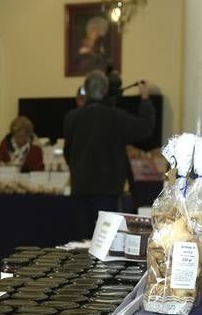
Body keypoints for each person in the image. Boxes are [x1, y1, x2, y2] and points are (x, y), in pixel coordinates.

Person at [62, 69, 155, 210]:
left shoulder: (72, 117)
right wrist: (145, 98)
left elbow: (67, 150)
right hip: (108, 190)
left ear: (85, 90)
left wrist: (77, 171)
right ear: (106, 90)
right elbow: (145, 127)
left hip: (79, 189)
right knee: (105, 231)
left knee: (81, 231)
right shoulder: (116, 117)